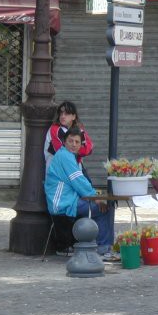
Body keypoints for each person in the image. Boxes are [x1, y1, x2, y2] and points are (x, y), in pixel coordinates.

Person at [44, 127, 117, 260]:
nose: (74, 144)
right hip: (62, 203)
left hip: (68, 200)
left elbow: (79, 183)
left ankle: (101, 246)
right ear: (65, 142)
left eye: (77, 142)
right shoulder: (65, 156)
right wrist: (96, 198)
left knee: (103, 207)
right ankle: (103, 248)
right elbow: (79, 182)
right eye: (71, 141)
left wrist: (94, 195)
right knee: (104, 209)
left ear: (80, 144)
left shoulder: (68, 156)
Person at [44, 101, 93, 173]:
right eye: (61, 114)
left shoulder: (79, 130)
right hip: (57, 171)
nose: (63, 116)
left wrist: (75, 150)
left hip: (75, 169)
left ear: (73, 116)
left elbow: (89, 148)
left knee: (87, 183)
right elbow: (62, 151)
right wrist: (79, 150)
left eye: (66, 114)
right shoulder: (54, 129)